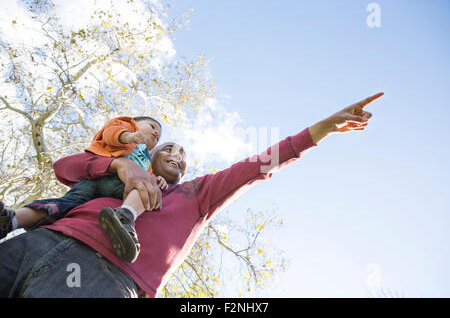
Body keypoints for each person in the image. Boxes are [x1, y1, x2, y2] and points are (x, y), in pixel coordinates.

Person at [0, 93, 383, 298]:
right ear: (150, 155)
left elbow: (259, 163)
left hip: (105, 279)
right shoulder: (123, 172)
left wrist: (324, 128)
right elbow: (66, 167)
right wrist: (120, 166)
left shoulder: (197, 195)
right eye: (167, 148)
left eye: (182, 155)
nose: (174, 154)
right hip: (38, 242)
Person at [0, 116, 167, 263]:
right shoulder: (127, 127)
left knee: (144, 187)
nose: (155, 133)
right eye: (152, 126)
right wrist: (129, 136)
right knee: (61, 204)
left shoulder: (147, 161)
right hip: (97, 177)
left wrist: (157, 179)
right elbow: (111, 133)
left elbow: (149, 180)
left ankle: (124, 216)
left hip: (121, 186)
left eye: (158, 136)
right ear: (135, 122)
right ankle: (12, 220)